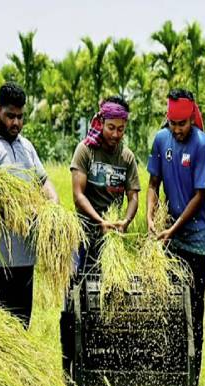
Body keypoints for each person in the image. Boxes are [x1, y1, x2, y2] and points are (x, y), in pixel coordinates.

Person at [146, 89, 205, 386]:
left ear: (192, 118)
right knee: (169, 308)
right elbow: (153, 184)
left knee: (192, 311)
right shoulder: (161, 140)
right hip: (169, 239)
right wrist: (150, 215)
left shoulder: (202, 145)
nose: (177, 129)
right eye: (173, 123)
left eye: (182, 123)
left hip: (195, 240)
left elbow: (200, 196)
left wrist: (172, 228)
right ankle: (168, 379)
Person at [0, 82, 58, 327]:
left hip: (24, 259)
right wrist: (30, 213)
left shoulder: (26, 146)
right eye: (10, 116)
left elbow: (44, 181)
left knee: (21, 330)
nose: (16, 123)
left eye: (20, 117)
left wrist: (52, 207)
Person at [70, 95, 140, 273]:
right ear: (101, 122)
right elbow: (78, 196)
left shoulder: (127, 157)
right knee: (80, 283)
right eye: (111, 128)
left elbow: (133, 197)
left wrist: (125, 222)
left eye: (120, 129)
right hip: (85, 234)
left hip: (112, 235)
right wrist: (100, 221)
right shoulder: (85, 150)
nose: (115, 134)